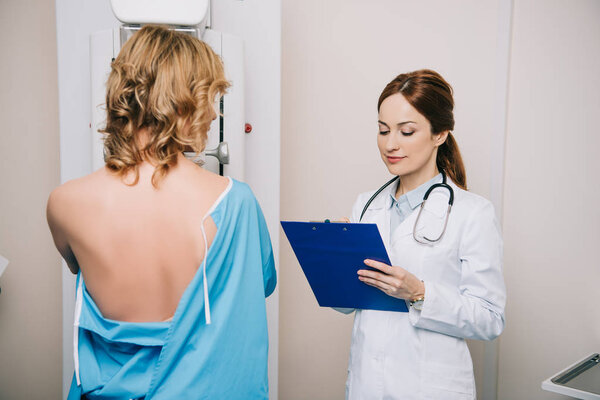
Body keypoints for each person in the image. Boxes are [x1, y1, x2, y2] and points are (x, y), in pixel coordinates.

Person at [46, 25, 276, 399]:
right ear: (183, 102)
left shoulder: (64, 203)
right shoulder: (235, 203)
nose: (214, 117)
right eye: (210, 100)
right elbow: (257, 284)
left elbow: (80, 267)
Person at [342, 69, 506, 399]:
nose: (390, 144)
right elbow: (347, 304)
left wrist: (419, 292)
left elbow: (490, 319)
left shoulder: (472, 213)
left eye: (406, 131)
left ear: (439, 134)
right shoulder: (365, 205)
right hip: (366, 382)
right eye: (383, 130)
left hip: (430, 387)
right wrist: (335, 258)